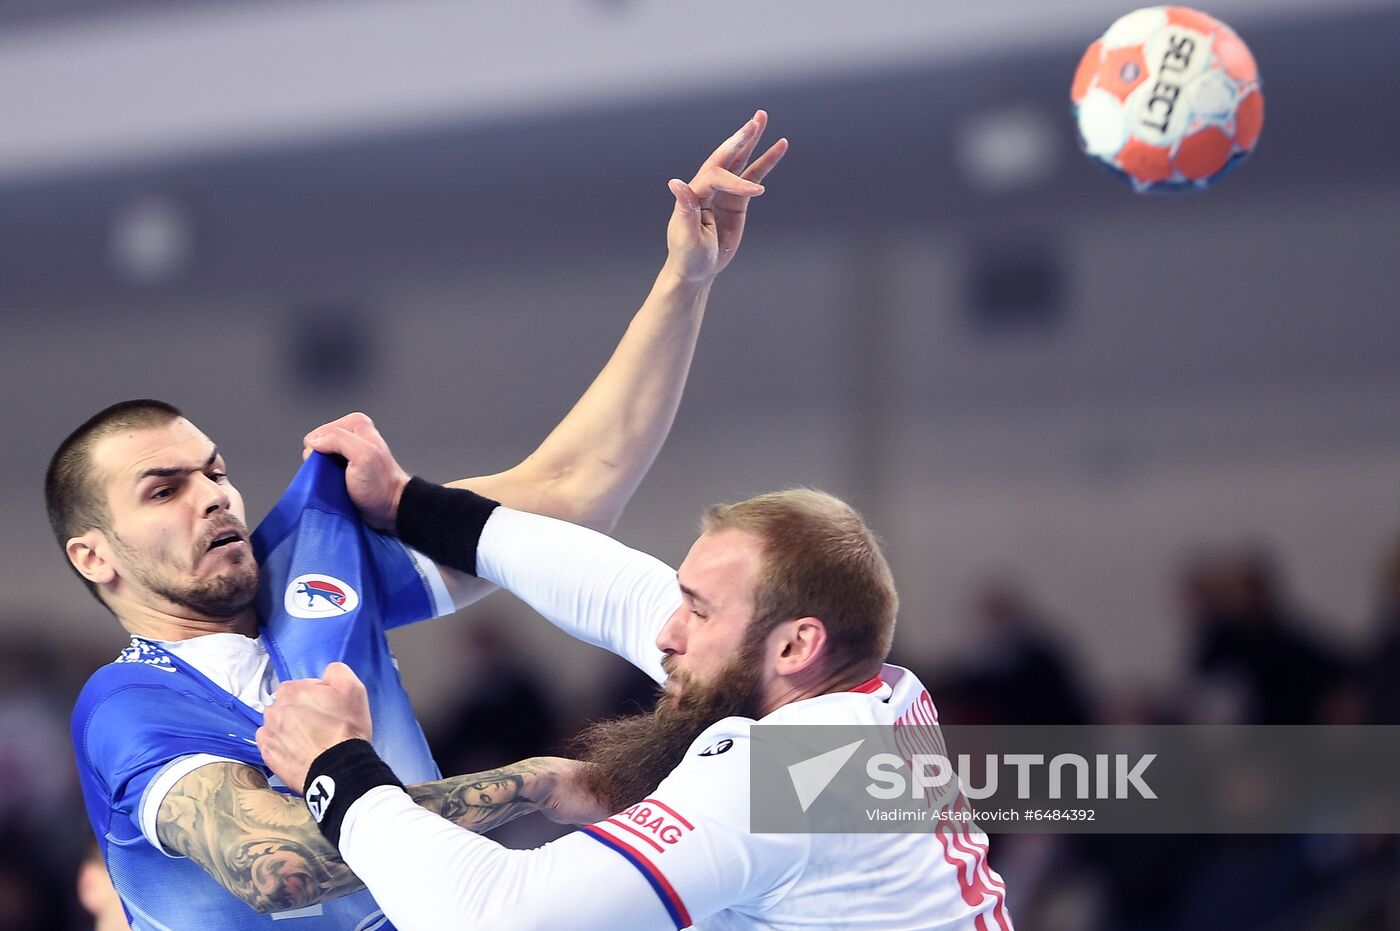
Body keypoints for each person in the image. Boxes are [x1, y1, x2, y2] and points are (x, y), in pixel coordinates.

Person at [56, 111, 787, 930]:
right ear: (93, 555)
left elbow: (575, 495)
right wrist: (532, 783)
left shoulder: (824, 771)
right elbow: (279, 867)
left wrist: (684, 281)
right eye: (165, 489)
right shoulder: (127, 701)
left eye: (216, 471)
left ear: (801, 646)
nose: (214, 495)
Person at [256, 427, 1014, 930]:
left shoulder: (787, 773)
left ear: (795, 645)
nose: (663, 632)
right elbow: (616, 588)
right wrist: (409, 503)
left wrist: (339, 767)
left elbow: (490, 916)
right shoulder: (867, 694)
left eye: (697, 609)